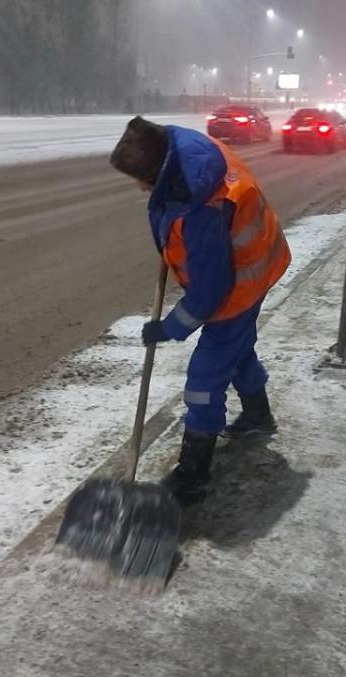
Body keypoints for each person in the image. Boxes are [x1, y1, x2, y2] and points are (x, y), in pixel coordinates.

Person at [109, 116, 290, 506]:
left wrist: (170, 327)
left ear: (160, 170)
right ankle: (258, 415)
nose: (141, 188)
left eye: (143, 179)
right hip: (250, 262)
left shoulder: (200, 206)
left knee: (205, 380)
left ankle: (193, 475)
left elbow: (211, 292)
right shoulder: (181, 148)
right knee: (236, 352)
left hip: (240, 283)